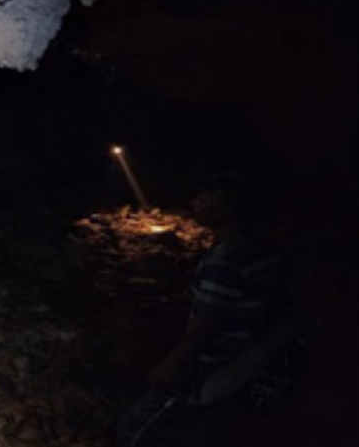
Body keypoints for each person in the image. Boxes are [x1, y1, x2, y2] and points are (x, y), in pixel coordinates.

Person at [118, 184, 299, 446]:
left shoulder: (225, 259)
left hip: (214, 364)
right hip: (247, 357)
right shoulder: (257, 249)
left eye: (207, 197)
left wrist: (173, 365)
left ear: (229, 207)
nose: (195, 202)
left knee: (135, 431)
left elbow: (208, 321)